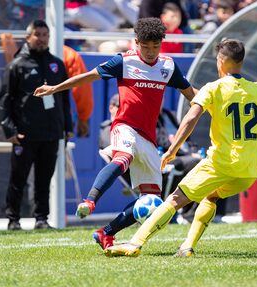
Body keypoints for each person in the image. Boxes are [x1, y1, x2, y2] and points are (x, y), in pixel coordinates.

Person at [104, 38, 257, 257]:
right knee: (212, 197)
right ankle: (187, 247)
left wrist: (172, 149)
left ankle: (135, 244)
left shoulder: (214, 88)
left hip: (221, 163)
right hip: (249, 169)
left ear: (221, 61)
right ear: (241, 62)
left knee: (175, 199)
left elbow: (190, 118)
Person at [34, 17, 196, 249]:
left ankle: (106, 233)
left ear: (162, 44)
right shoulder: (124, 61)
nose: (150, 52)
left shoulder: (168, 66)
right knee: (123, 157)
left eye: (155, 46)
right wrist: (55, 88)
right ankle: (90, 201)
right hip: (125, 126)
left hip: (148, 139)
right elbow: (88, 76)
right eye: (145, 46)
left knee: (152, 202)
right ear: (136, 42)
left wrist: (214, 101)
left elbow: (191, 94)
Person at [0, 19, 73, 230]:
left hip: (51, 132)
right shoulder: (17, 65)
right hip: (24, 133)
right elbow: (4, 101)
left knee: (44, 179)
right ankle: (13, 220)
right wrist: (9, 130)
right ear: (28, 37)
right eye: (37, 34)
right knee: (18, 179)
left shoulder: (57, 64)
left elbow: (64, 99)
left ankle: (41, 218)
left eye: (45, 35)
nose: (41, 39)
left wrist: (67, 127)